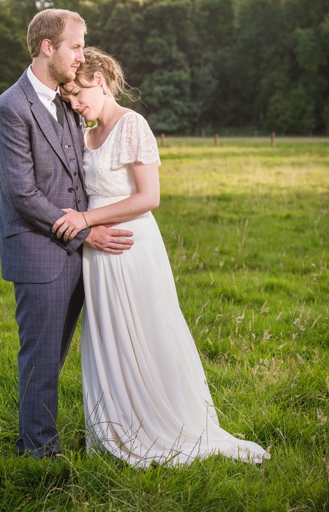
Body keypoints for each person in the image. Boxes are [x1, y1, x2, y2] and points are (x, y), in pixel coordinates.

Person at [50, 48, 269, 467]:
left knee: (145, 329)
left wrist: (84, 219)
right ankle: (118, 423)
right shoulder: (83, 130)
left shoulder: (133, 125)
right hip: (97, 251)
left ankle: (160, 421)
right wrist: (86, 229)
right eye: (68, 99)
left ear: (100, 80)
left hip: (132, 246)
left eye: (77, 95)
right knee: (109, 335)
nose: (75, 105)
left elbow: (149, 197)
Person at [0, 9, 135, 459]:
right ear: (47, 47)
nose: (81, 54)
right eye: (75, 45)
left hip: (80, 257)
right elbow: (22, 193)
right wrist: (85, 234)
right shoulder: (11, 108)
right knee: (41, 361)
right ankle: (38, 452)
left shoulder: (65, 101)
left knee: (65, 358)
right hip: (39, 254)